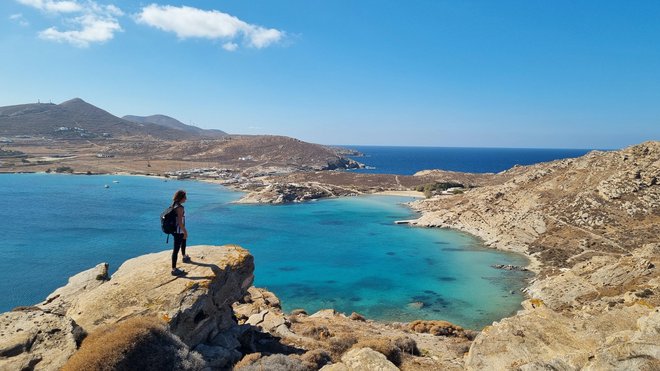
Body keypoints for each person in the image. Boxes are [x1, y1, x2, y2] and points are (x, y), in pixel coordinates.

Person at [171, 190, 190, 276]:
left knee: (184, 240)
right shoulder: (180, 208)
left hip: (175, 230)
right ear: (181, 197)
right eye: (185, 197)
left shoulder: (174, 204)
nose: (186, 199)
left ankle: (184, 256)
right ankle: (174, 269)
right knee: (176, 249)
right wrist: (185, 231)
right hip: (179, 230)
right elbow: (179, 221)